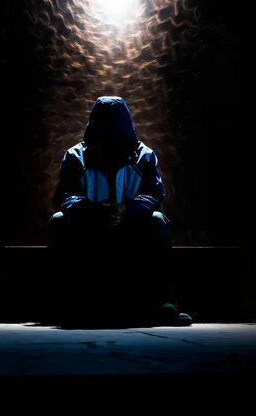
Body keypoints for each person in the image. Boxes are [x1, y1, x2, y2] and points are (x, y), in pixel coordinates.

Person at [46, 96, 192, 327]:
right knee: (58, 221)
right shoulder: (75, 156)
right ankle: (57, 305)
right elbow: (64, 196)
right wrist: (92, 212)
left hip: (130, 231)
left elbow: (154, 195)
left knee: (158, 221)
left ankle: (166, 303)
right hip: (89, 231)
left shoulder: (145, 156)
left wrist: (127, 210)